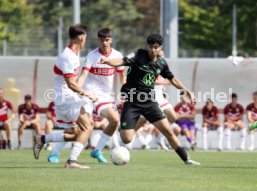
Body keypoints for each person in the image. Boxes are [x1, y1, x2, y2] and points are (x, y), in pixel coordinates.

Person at [100, 33, 200, 165]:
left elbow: (173, 80)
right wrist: (108, 62)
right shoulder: (139, 55)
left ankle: (186, 159)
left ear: (160, 48)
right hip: (132, 101)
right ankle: (131, 124)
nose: (153, 50)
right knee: (126, 139)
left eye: (156, 47)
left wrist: (188, 92)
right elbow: (122, 62)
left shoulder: (162, 63)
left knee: (167, 130)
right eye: (151, 47)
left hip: (149, 101)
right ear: (147, 46)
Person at [33, 24, 96, 169]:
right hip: (67, 98)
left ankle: (42, 139)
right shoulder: (67, 56)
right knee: (88, 128)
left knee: (76, 133)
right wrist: (87, 94)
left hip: (67, 98)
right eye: (85, 37)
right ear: (81, 38)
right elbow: (70, 84)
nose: (85, 40)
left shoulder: (73, 54)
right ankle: (72, 161)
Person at [76, 28, 125, 163]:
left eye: (107, 40)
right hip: (88, 93)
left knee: (115, 120)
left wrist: (125, 92)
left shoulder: (117, 56)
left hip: (104, 95)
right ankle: (56, 151)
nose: (104, 42)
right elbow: (83, 75)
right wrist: (76, 89)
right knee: (83, 127)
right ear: (98, 40)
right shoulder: (91, 56)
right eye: (102, 40)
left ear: (111, 40)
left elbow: (122, 75)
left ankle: (97, 150)